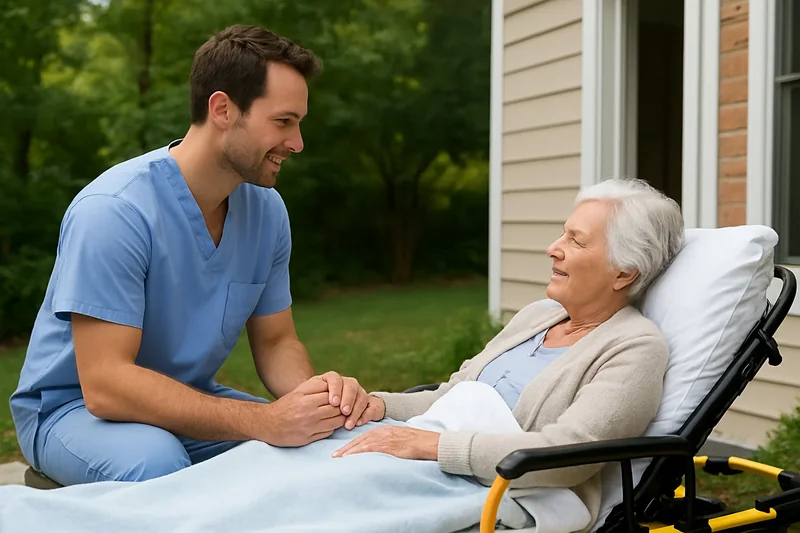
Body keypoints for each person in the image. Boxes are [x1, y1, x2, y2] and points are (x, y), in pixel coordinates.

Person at [9, 24, 378, 487]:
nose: (298, 142)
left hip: (188, 399)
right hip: (73, 409)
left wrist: (317, 400)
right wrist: (264, 422)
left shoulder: (266, 211)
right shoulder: (115, 211)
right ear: (223, 109)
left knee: (324, 448)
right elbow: (105, 385)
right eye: (284, 121)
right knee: (158, 466)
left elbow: (276, 342)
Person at [333, 177, 685, 528]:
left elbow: (569, 453)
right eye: (563, 234)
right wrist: (376, 405)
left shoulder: (635, 347)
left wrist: (432, 446)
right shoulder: (537, 315)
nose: (553, 248)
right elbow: (451, 396)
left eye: (575, 241)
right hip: (436, 461)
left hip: (503, 491)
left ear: (623, 273)